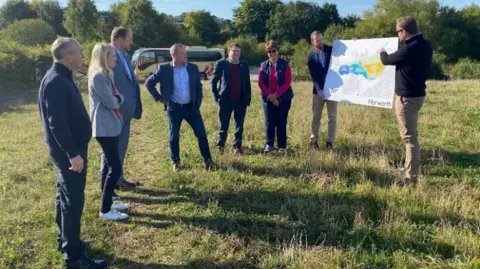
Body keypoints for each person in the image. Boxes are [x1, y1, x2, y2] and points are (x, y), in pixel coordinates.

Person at [38, 38, 108, 269]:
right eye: (79, 53)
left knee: (64, 197)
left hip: (70, 151)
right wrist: (72, 154)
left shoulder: (61, 77)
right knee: (73, 201)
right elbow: (56, 124)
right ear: (68, 57)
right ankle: (74, 257)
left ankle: (66, 241)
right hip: (70, 153)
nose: (82, 56)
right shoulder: (56, 81)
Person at [380, 16, 433, 186]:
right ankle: (409, 168)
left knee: (410, 139)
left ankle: (411, 178)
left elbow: (386, 60)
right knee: (412, 136)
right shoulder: (426, 45)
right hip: (418, 95)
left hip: (407, 99)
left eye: (398, 32)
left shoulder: (409, 49)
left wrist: (381, 51)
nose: (398, 36)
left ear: (404, 31)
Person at [145, 44, 214, 171]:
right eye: (182, 53)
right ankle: (176, 162)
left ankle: (208, 160)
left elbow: (198, 87)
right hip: (174, 108)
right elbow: (149, 83)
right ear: (174, 55)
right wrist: (160, 98)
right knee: (174, 137)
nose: (185, 55)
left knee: (201, 134)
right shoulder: (164, 69)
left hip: (191, 108)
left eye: (185, 53)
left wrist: (197, 102)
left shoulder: (193, 68)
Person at [88, 43, 131, 221]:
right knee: (115, 166)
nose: (115, 59)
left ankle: (110, 199)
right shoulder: (98, 77)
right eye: (112, 56)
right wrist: (119, 98)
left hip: (110, 126)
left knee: (108, 165)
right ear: (103, 58)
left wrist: (118, 97)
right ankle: (105, 209)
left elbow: (116, 97)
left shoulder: (107, 76)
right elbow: (113, 102)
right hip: (104, 128)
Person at [110, 27, 143, 190]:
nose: (132, 42)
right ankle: (109, 185)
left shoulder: (125, 56)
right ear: (120, 39)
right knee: (111, 150)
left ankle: (118, 179)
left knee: (121, 148)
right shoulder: (107, 55)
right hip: (114, 111)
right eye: (130, 39)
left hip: (127, 111)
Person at [211, 42, 252, 154]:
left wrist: (248, 99)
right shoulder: (221, 64)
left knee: (239, 125)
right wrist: (216, 97)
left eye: (238, 51)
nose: (236, 53)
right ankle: (220, 147)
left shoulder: (244, 65)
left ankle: (237, 147)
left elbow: (247, 83)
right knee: (223, 125)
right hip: (225, 101)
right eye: (234, 51)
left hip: (240, 101)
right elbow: (213, 82)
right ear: (229, 52)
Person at [258, 40, 294, 154]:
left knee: (281, 122)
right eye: (269, 52)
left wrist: (277, 96)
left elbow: (287, 82)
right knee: (269, 122)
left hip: (283, 98)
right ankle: (269, 144)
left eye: (273, 51)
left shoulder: (285, 64)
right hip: (268, 98)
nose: (271, 53)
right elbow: (261, 83)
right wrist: (270, 96)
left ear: (277, 51)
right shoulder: (263, 65)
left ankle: (282, 146)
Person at [307, 31, 336, 151]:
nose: (320, 43)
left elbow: (347, 53)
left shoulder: (331, 50)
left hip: (333, 90)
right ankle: (314, 141)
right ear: (312, 42)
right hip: (318, 90)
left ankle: (330, 142)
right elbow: (314, 75)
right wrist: (319, 90)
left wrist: (353, 43)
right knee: (316, 117)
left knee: (332, 117)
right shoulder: (310, 56)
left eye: (321, 40)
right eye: (317, 41)